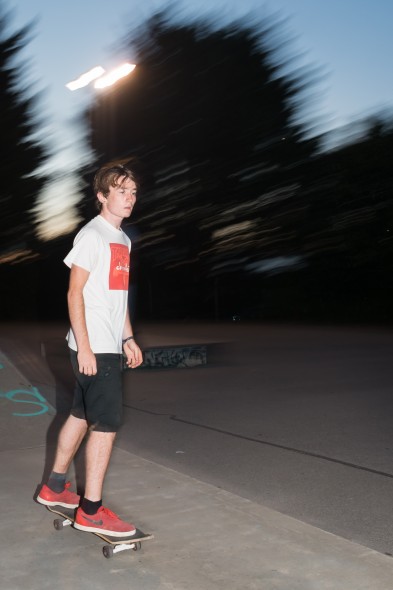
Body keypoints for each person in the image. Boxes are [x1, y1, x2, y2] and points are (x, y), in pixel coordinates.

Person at [37, 163, 143, 537]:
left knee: (80, 414)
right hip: (94, 348)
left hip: (107, 345)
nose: (129, 198)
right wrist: (86, 348)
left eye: (132, 191)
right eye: (120, 191)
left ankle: (55, 486)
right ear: (101, 195)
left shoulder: (122, 240)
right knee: (106, 425)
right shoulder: (92, 235)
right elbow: (73, 292)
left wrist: (128, 337)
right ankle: (91, 510)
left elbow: (118, 296)